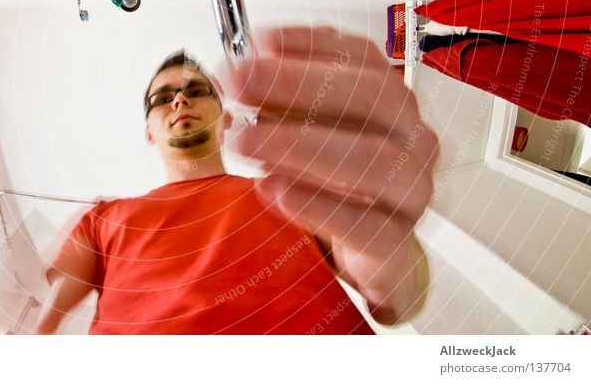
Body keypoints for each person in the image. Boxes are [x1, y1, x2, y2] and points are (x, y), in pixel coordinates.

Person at [34, 25, 438, 334]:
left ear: (226, 118)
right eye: (163, 99)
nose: (180, 100)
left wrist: (387, 251)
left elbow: (399, 300)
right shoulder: (102, 217)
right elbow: (45, 318)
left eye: (197, 90)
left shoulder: (289, 192)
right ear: (149, 132)